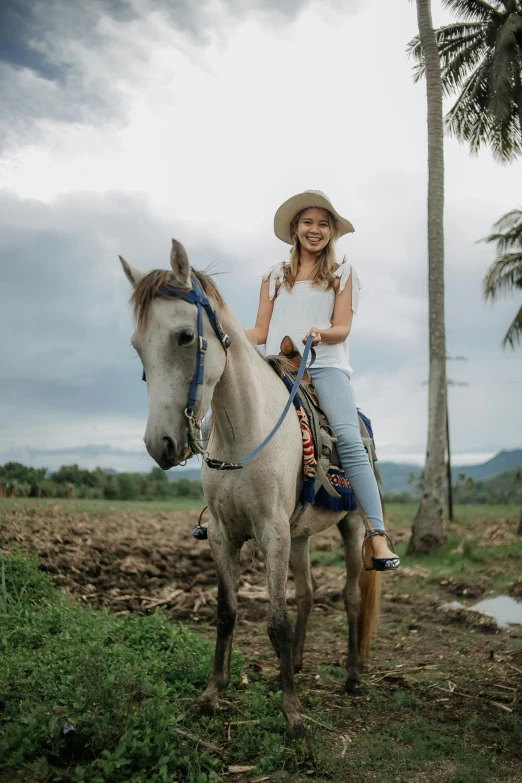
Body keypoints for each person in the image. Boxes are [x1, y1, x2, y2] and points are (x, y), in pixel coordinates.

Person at [246, 190, 400, 571]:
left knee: (348, 438)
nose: (314, 230)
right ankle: (221, 509)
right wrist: (226, 333)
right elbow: (262, 331)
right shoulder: (272, 277)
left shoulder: (342, 273)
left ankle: (377, 536)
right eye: (307, 222)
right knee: (233, 413)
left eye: (323, 224)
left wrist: (321, 333)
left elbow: (343, 328)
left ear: (331, 232)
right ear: (296, 229)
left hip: (324, 365)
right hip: (278, 363)